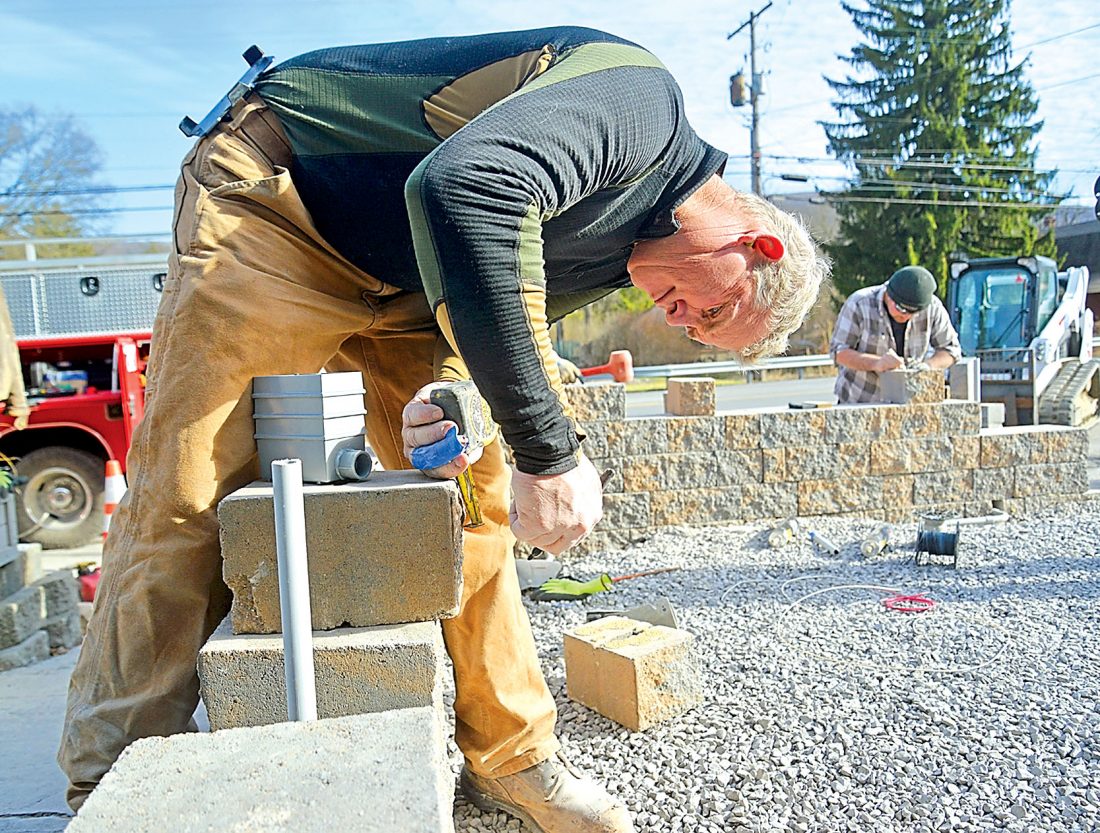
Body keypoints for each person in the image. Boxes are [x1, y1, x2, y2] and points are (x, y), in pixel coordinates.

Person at [58, 26, 828, 831]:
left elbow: (493, 327)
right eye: (713, 310)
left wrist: (454, 406)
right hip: (280, 208)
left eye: (698, 331)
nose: (679, 319)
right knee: (187, 491)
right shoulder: (640, 105)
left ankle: (512, 759)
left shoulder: (620, 257)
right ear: (756, 243)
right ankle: (112, 784)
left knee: (471, 501)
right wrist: (549, 450)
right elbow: (465, 186)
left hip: (405, 286)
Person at [830, 265, 961, 404]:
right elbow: (839, 352)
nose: (905, 316)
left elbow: (951, 350)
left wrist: (927, 366)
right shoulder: (859, 304)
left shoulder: (933, 307)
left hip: (910, 401)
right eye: (900, 309)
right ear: (888, 294)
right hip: (861, 400)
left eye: (913, 313)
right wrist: (877, 363)